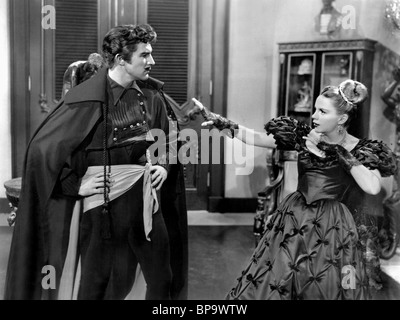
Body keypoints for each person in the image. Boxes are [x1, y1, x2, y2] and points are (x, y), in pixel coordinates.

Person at [4, 24, 188, 300]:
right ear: (120, 60)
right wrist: (74, 185)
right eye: (145, 55)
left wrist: (163, 164)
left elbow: (170, 136)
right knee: (95, 284)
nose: (152, 61)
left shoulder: (152, 97)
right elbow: (42, 153)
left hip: (146, 201)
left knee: (163, 278)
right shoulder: (84, 99)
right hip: (102, 207)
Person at [193, 79, 397, 300]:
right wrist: (221, 122)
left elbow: (372, 186)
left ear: (342, 118)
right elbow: (255, 137)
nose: (314, 116)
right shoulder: (302, 136)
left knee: (325, 284)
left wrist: (338, 152)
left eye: (322, 111)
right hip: (294, 219)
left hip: (333, 225)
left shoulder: (362, 149)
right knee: (278, 280)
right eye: (315, 109)